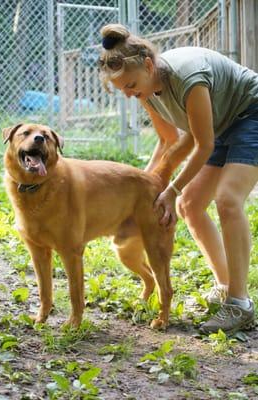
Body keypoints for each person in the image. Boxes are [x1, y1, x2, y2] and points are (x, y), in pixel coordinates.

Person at [98, 23, 258, 334]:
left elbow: (203, 144)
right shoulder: (147, 90)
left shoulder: (187, 77)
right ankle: (225, 285)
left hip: (252, 113)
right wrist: (141, 187)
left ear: (147, 65)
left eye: (130, 85)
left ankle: (240, 304)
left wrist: (170, 189)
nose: (129, 95)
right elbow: (169, 141)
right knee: (191, 204)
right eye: (123, 91)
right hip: (223, 125)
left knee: (227, 200)